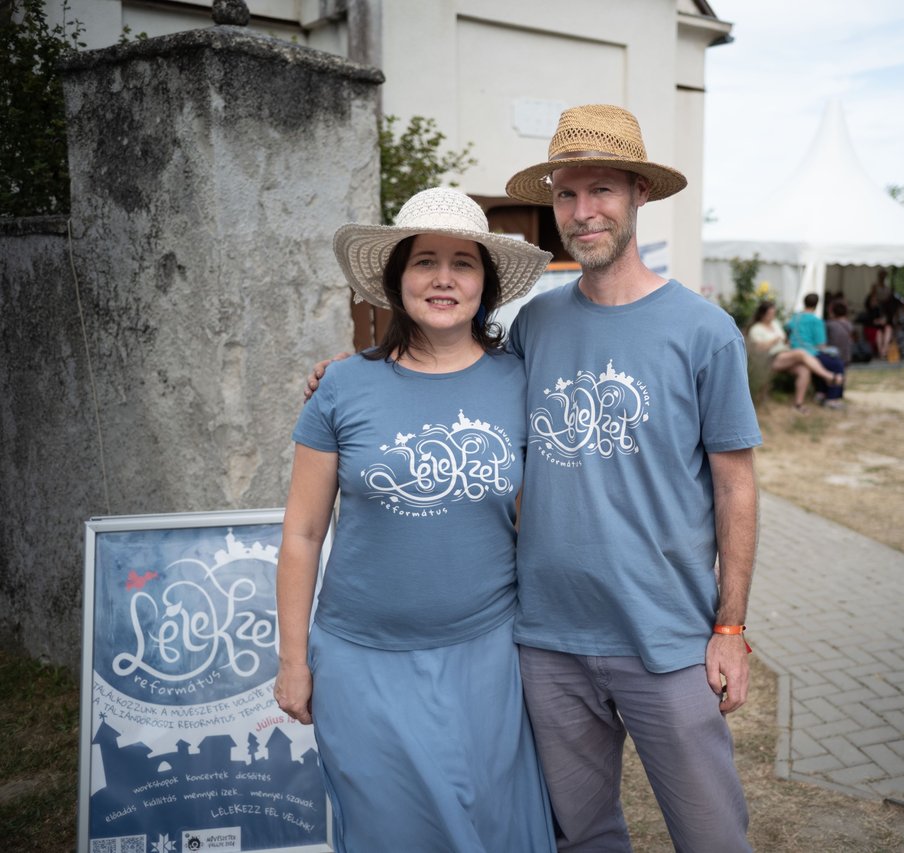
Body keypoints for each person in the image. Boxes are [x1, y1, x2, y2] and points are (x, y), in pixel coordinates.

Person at [312, 105, 761, 850]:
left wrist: (732, 627)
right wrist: (349, 374)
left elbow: (736, 486)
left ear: (639, 194)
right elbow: (446, 377)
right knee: (581, 835)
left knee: (713, 834)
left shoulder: (703, 330)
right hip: (546, 640)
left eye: (602, 191)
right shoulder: (536, 326)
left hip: (669, 635)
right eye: (566, 193)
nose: (582, 212)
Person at [274, 188, 556, 851]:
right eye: (425, 260)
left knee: (488, 827)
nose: (443, 278)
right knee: (386, 830)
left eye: (464, 263)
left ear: (485, 284)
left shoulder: (520, 380)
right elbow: (302, 531)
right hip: (359, 662)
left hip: (485, 654)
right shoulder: (343, 386)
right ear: (396, 278)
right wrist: (293, 660)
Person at [748, 299, 840, 411]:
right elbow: (758, 348)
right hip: (771, 358)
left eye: (773, 313)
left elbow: (784, 338)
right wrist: (773, 341)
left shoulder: (775, 324)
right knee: (801, 353)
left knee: (804, 369)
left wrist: (786, 341)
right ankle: (828, 376)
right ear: (762, 314)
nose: (772, 316)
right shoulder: (756, 329)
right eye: (770, 314)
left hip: (784, 354)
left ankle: (798, 405)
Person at [789, 293, 845, 407]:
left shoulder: (795, 317)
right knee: (837, 364)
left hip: (793, 351)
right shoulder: (816, 321)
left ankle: (820, 392)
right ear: (816, 305)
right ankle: (831, 398)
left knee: (825, 361)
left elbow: (788, 329)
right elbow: (821, 345)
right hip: (810, 352)